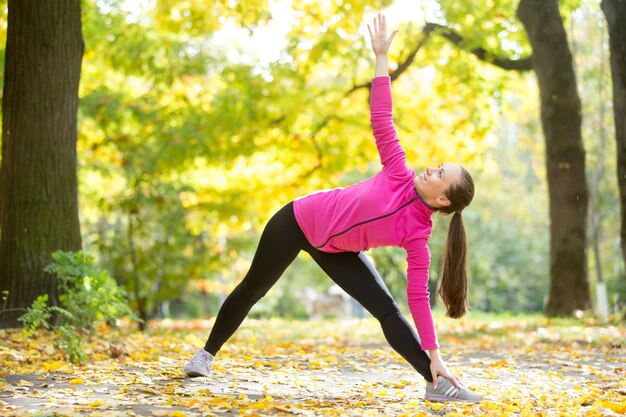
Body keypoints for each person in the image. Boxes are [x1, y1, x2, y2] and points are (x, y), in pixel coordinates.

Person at [184, 13, 482, 403]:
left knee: (388, 311)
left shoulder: (418, 234)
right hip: (297, 220)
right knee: (251, 289)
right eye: (437, 164)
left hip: (336, 250)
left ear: (443, 199)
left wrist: (435, 354)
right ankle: (205, 354)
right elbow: (381, 119)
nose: (431, 167)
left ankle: (435, 381)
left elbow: (415, 300)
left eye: (440, 172)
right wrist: (380, 58)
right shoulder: (398, 172)